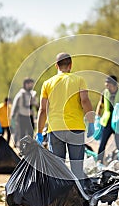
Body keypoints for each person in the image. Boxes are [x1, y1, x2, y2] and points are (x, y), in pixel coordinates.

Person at [36, 52, 94, 180]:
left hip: (55, 129)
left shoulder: (47, 83)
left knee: (58, 168)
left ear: (56, 66)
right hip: (76, 128)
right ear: (71, 65)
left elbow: (42, 110)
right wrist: (91, 122)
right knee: (77, 167)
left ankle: (60, 198)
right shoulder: (79, 80)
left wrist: (39, 132)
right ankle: (79, 197)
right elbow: (85, 101)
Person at [96, 75, 119, 164]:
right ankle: (99, 162)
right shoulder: (105, 92)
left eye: (109, 85)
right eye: (106, 85)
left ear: (114, 84)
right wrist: (97, 116)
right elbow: (101, 104)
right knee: (102, 144)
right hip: (107, 122)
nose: (107, 87)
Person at [11, 78, 37, 146]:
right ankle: (22, 149)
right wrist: (13, 116)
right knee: (22, 134)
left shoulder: (32, 94)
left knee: (31, 133)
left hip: (30, 116)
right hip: (22, 116)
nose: (31, 85)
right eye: (30, 84)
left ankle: (30, 148)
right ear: (26, 84)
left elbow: (35, 104)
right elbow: (15, 106)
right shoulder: (20, 94)